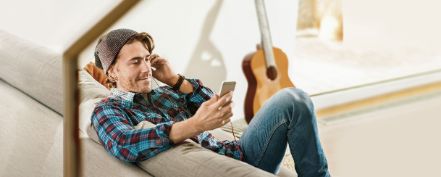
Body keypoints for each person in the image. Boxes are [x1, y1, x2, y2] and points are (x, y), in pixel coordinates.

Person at [91, 28, 330, 177]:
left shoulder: (164, 92)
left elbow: (211, 102)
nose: (146, 69)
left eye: (146, 59)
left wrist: (175, 80)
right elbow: (124, 144)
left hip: (238, 153)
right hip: (223, 167)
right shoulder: (108, 110)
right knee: (292, 100)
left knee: (294, 98)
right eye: (135, 62)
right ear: (112, 72)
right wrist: (194, 125)